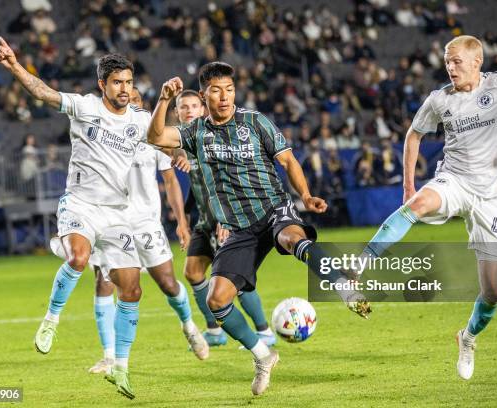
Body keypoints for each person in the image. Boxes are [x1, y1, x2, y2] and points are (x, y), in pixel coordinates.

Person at [147, 62, 369, 396]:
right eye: (217, 90)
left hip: (273, 210)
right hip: (238, 228)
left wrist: (305, 195)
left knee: (292, 237)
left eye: (230, 89)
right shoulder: (195, 134)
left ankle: (343, 287)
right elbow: (155, 136)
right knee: (217, 300)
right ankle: (263, 355)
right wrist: (164, 101)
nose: (224, 97)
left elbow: (288, 161)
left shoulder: (255, 121)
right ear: (204, 94)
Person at [352, 35, 497, 381]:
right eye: (447, 62)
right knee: (416, 205)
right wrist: (408, 186)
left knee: (493, 291)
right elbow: (413, 136)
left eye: (457, 61)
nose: (450, 67)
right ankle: (359, 265)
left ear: (477, 62)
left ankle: (468, 337)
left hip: (490, 197)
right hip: (454, 182)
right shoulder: (439, 100)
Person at [0, 36, 151, 399]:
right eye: (117, 82)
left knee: (132, 288)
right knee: (79, 258)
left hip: (116, 214)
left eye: (128, 82)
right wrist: (16, 66)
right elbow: (43, 92)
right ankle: (51, 320)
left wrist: (180, 153)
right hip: (80, 205)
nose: (124, 88)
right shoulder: (85, 107)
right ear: (103, 85)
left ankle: (120, 368)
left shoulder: (139, 122)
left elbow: (164, 137)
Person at [81, 87, 208, 374]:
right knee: (104, 283)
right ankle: (109, 356)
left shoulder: (154, 137)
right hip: (111, 223)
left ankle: (188, 325)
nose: (131, 105)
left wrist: (181, 222)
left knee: (168, 284)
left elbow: (171, 181)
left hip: (146, 223)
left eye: (137, 101)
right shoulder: (102, 137)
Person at [176, 90, 276, 349]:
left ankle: (264, 331)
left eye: (194, 106)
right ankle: (214, 330)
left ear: (203, 110)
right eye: (183, 107)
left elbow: (224, 181)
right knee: (193, 271)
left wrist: (226, 219)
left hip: (229, 219)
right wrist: (184, 219)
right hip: (204, 221)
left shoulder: (212, 137)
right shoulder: (182, 141)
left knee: (235, 280)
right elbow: (195, 186)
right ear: (177, 113)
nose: (189, 111)